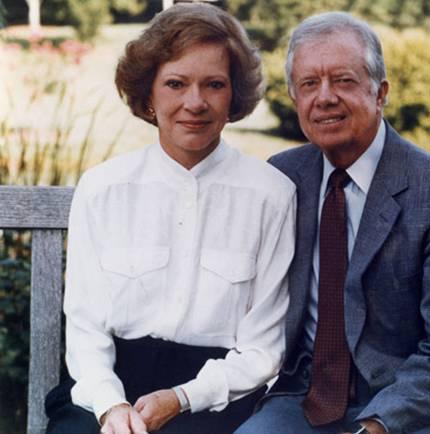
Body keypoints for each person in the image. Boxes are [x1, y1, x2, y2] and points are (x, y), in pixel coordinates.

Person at [236, 11, 430, 434]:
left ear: (380, 93)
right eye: (309, 84)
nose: (324, 97)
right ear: (294, 98)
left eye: (343, 80)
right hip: (306, 397)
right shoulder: (284, 177)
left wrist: (377, 425)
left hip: (422, 402)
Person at [45, 3, 296, 434]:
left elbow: (263, 349)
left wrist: (182, 398)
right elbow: (86, 326)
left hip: (217, 397)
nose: (194, 103)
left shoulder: (271, 196)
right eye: (175, 84)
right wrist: (110, 406)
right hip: (108, 384)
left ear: (234, 96)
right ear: (148, 95)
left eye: (214, 85)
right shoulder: (103, 188)